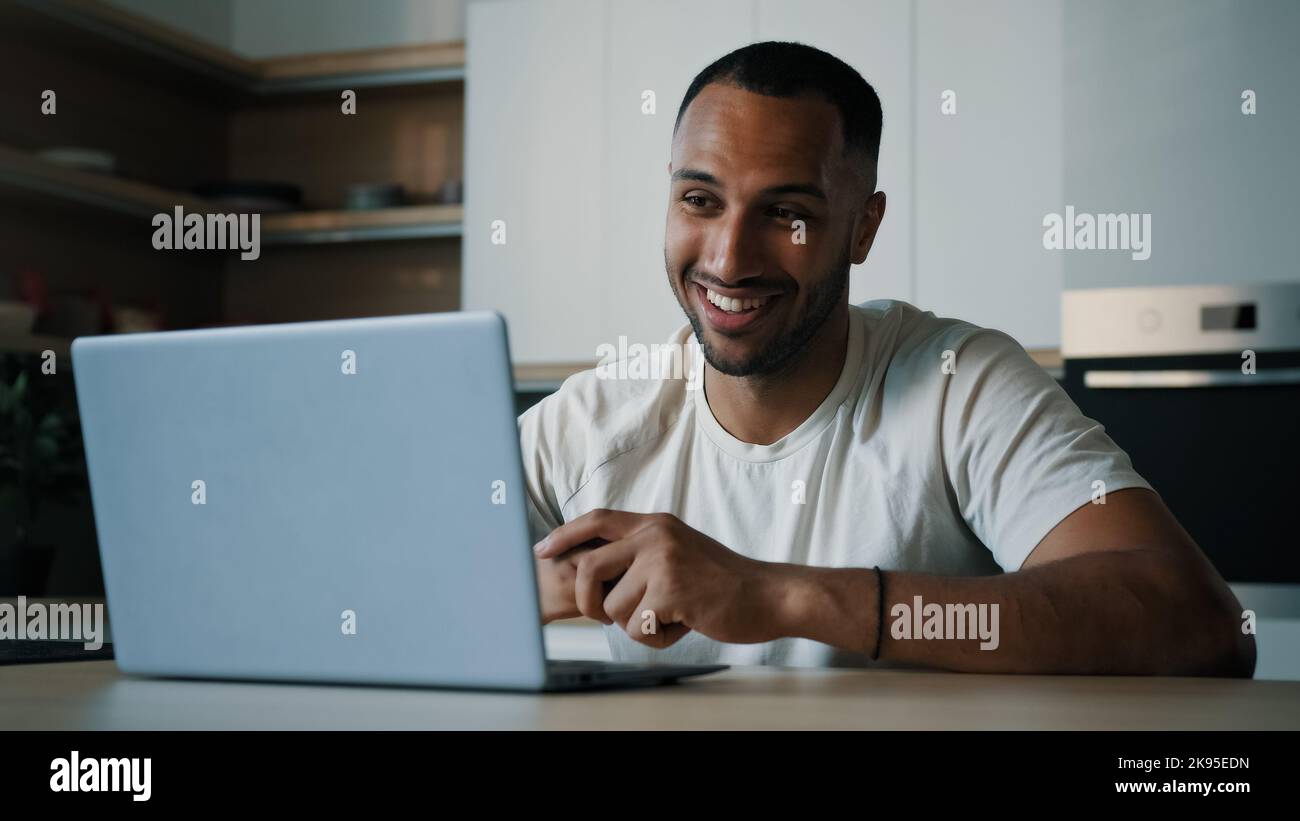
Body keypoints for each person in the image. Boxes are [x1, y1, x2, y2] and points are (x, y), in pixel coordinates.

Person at [521, 41, 1254, 676]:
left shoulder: (958, 386)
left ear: (862, 228)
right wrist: (515, 588)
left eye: (787, 214)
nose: (728, 259)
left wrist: (781, 595)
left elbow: (1196, 620)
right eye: (700, 200)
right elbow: (412, 585)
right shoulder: (589, 423)